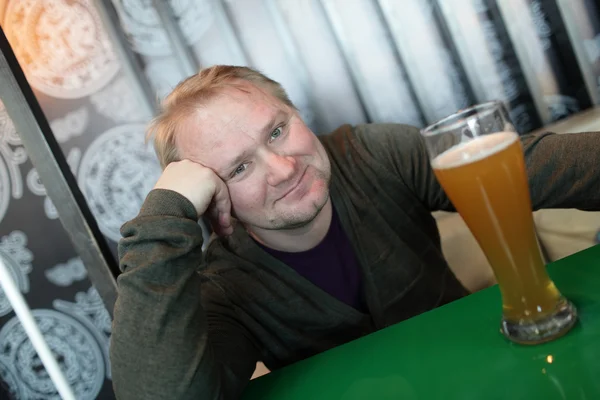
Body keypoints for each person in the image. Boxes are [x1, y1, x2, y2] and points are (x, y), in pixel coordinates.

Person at [110, 65, 600, 399]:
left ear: (297, 113)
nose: (282, 169)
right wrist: (166, 211)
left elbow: (559, 169)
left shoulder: (376, 154)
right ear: (214, 197)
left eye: (277, 131)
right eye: (238, 169)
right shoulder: (224, 286)